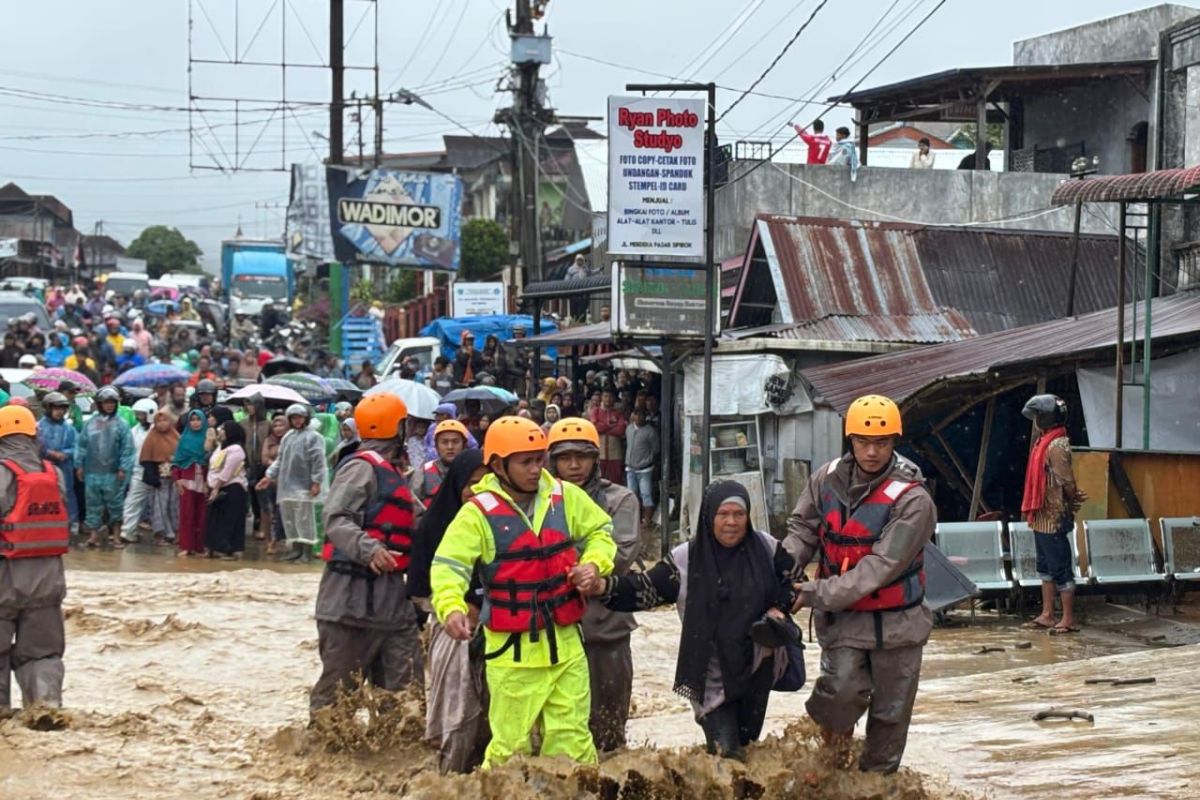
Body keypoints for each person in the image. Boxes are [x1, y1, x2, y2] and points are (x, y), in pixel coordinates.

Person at [430, 416, 616, 768]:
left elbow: (600, 532)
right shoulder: (477, 514)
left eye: (538, 459)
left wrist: (594, 565)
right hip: (512, 651)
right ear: (499, 465)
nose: (535, 469)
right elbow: (449, 565)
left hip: (565, 644)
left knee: (574, 743)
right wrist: (451, 606)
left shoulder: (566, 497)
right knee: (510, 750)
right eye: (525, 461)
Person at [783, 394, 936, 774]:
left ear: (894, 442)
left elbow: (878, 568)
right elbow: (802, 529)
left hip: (898, 625)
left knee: (890, 714)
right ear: (850, 440)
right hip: (845, 622)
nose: (872, 451)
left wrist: (812, 593)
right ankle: (832, 773)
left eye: (881, 443)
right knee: (838, 695)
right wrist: (783, 570)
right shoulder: (825, 479)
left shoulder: (913, 500)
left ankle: (876, 786)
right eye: (863, 442)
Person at [590, 481, 796, 760]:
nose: (731, 522)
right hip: (711, 673)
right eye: (723, 515)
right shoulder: (686, 561)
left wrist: (779, 610)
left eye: (739, 514)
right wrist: (603, 587)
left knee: (748, 747)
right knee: (727, 754)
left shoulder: (767, 548)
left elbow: (794, 583)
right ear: (708, 517)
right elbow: (644, 590)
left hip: (758, 666)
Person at [309, 394, 424, 716]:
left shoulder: (395, 474)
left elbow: (421, 521)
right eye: (407, 423)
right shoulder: (361, 468)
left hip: (392, 605)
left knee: (407, 699)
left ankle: (398, 760)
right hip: (349, 602)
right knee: (336, 701)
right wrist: (369, 548)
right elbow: (335, 517)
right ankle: (322, 755)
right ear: (396, 427)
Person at [547, 418, 640, 752]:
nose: (574, 465)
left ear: (595, 459)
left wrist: (559, 560)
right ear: (552, 461)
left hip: (606, 629)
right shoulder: (536, 502)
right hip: (551, 631)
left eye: (582, 456)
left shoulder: (620, 499)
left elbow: (621, 554)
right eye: (564, 457)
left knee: (608, 730)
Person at [408, 448, 489, 773]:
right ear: (456, 484)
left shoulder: (506, 525)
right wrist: (454, 608)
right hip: (452, 632)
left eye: (488, 483)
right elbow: (419, 591)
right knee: (456, 714)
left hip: (501, 631)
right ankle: (447, 781)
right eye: (472, 483)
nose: (479, 491)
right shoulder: (435, 524)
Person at [0, 405, 71, 712]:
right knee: (42, 652)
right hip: (48, 578)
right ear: (33, 434)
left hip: (4, 577)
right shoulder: (52, 473)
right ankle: (44, 704)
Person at [1021, 394, 1086, 635]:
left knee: (1060, 568)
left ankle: (1067, 618)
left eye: (1038, 416)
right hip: (1041, 515)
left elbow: (1066, 481)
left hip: (1054, 514)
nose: (1035, 420)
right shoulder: (1044, 442)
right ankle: (1048, 614)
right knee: (1045, 566)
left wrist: (1072, 498)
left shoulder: (1056, 445)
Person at [257, 403, 326, 562]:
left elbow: (318, 461)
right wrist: (268, 476)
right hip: (287, 485)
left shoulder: (314, 437)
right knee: (290, 518)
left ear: (306, 418)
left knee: (304, 519)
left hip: (305, 485)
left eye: (300, 417)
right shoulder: (288, 437)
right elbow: (280, 460)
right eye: (293, 418)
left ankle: (306, 552)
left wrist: (316, 482)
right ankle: (296, 550)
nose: (297, 420)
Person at [75, 386, 134, 549]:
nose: (109, 405)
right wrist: (79, 464)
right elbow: (82, 445)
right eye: (106, 402)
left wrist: (123, 467)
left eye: (112, 402)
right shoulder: (90, 423)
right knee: (92, 504)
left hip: (113, 472)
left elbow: (127, 449)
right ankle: (93, 536)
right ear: (99, 404)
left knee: (115, 504)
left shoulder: (121, 424)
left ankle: (115, 536)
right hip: (92, 471)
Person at [205, 421, 248, 560]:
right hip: (217, 486)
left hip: (232, 488)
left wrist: (216, 488)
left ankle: (229, 549)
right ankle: (215, 547)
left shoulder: (236, 449)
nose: (220, 431)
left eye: (223, 429)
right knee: (216, 519)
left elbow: (228, 471)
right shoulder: (220, 448)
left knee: (230, 520)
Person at [36, 392, 78, 532]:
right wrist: (49, 453)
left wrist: (65, 454)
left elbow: (77, 447)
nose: (60, 412)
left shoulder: (69, 429)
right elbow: (35, 447)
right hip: (43, 468)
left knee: (67, 494)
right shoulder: (38, 427)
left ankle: (68, 523)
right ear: (48, 408)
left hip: (64, 468)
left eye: (62, 408)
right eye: (56, 408)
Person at [118, 398, 159, 545]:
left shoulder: (158, 430)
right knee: (133, 502)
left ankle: (163, 534)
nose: (138, 417)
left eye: (141, 414)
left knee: (160, 506)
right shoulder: (134, 431)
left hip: (156, 472)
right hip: (138, 471)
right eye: (137, 414)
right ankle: (128, 531)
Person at [139, 410, 180, 547]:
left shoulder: (176, 437)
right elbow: (146, 458)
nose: (162, 424)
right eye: (159, 421)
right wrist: (153, 477)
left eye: (165, 420)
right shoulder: (151, 438)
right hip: (158, 479)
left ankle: (175, 533)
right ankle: (160, 535)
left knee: (174, 506)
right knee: (159, 507)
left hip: (174, 479)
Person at [172, 409, 209, 556]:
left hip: (205, 480)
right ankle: (186, 546)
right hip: (187, 479)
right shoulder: (184, 439)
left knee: (203, 514)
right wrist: (177, 479)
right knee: (187, 513)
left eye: (198, 419)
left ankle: (200, 546)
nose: (195, 422)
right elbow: (176, 462)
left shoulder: (209, 439)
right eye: (192, 420)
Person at [412, 419, 470, 509]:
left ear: (464, 445)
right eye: (444, 442)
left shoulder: (473, 473)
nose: (450, 447)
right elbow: (413, 504)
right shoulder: (423, 471)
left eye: (455, 442)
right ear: (436, 446)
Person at [240, 394, 271, 539]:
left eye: (252, 404)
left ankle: (261, 526)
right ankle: (251, 525)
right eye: (247, 405)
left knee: (262, 498)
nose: (249, 408)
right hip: (247, 464)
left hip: (262, 465)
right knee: (249, 496)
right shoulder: (243, 423)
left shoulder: (268, 424)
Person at [624, 408, 659, 530]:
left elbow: (656, 450)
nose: (638, 418)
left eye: (641, 415)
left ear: (645, 416)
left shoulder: (650, 431)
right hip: (630, 467)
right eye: (636, 414)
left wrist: (648, 461)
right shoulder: (629, 428)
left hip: (645, 469)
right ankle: (634, 519)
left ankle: (647, 520)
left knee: (646, 494)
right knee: (631, 495)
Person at [261, 413, 288, 556]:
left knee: (281, 512)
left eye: (281, 425)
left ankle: (277, 541)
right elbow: (264, 458)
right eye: (275, 425)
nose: (278, 428)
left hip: (286, 482)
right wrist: (276, 465)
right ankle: (269, 540)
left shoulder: (290, 440)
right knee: (268, 511)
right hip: (270, 480)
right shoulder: (268, 440)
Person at [589, 389, 627, 484]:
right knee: (597, 479)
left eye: (610, 397)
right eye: (605, 396)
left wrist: (604, 426)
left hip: (615, 453)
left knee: (616, 480)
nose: (608, 399)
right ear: (602, 397)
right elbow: (595, 427)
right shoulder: (596, 411)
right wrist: (611, 426)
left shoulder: (618, 413)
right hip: (599, 452)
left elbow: (621, 429)